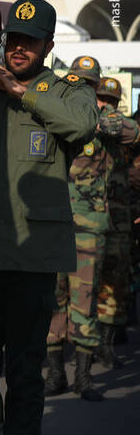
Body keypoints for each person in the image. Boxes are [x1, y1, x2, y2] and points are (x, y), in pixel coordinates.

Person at [0, 0, 98, 435]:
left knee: (25, 371)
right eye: (13, 39)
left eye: (30, 42)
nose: (19, 49)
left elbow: (82, 126)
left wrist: (23, 93)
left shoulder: (68, 91)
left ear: (48, 46)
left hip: (33, 256)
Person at [45, 56, 109, 402]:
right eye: (77, 80)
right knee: (53, 300)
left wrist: (94, 114)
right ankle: (56, 374)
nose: (82, 86)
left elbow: (131, 130)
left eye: (88, 83)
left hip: (87, 227)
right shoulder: (57, 112)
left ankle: (83, 377)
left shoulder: (102, 120)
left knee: (84, 299)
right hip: (54, 222)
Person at [93, 76, 140, 369]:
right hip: (86, 216)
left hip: (119, 216)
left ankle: (106, 344)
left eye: (111, 101)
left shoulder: (124, 130)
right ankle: (85, 341)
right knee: (81, 281)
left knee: (115, 278)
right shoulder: (85, 126)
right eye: (102, 99)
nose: (105, 105)